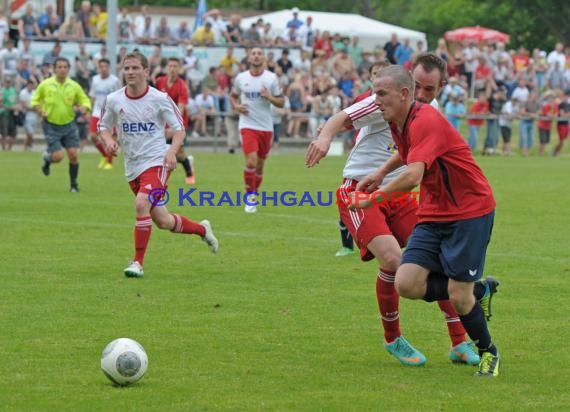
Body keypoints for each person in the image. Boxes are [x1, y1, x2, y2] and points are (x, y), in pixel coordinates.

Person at [306, 57, 495, 368]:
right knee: (394, 260)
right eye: (416, 86)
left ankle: (460, 342)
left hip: (400, 192)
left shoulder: (427, 114)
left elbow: (412, 160)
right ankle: (393, 338)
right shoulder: (383, 102)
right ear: (406, 86)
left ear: (440, 89)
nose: (421, 94)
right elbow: (342, 117)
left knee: (441, 264)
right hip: (360, 190)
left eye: (428, 89)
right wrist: (325, 138)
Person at [97, 52, 218, 278]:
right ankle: (202, 229)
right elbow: (102, 127)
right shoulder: (114, 100)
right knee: (163, 221)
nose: (130, 72)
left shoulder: (159, 99)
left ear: (146, 71)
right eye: (127, 68)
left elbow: (180, 129)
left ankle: (137, 263)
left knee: (142, 203)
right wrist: (109, 140)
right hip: (133, 167)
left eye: (135, 68)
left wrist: (172, 151)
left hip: (157, 162)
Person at [230, 47, 284, 213]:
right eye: (253, 53)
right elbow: (233, 96)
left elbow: (281, 102)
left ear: (264, 58)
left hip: (266, 127)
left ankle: (254, 193)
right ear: (249, 58)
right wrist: (237, 106)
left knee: (260, 166)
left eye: (259, 53)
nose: (256, 56)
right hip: (247, 125)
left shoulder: (271, 78)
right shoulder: (241, 78)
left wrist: (269, 97)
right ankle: (250, 199)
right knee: (251, 161)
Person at [31, 57, 91, 192]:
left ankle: (74, 185)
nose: (62, 69)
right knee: (58, 157)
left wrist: (84, 108)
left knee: (74, 155)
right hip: (51, 125)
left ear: (69, 69)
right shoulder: (45, 84)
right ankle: (47, 159)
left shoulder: (74, 86)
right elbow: (35, 101)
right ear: (54, 69)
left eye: (65, 67)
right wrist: (40, 111)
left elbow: (85, 100)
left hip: (69, 124)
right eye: (59, 67)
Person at [155, 57, 196, 184]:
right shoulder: (159, 82)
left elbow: (180, 109)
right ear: (167, 68)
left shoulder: (182, 86)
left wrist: (174, 127)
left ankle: (189, 172)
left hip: (178, 124)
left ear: (179, 69)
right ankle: (159, 179)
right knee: (160, 151)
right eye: (170, 66)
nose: (172, 69)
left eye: (175, 66)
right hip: (163, 124)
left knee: (179, 153)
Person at [88, 58, 121, 170]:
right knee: (93, 137)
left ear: (109, 68)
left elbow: (119, 96)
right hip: (96, 112)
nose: (103, 69)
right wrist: (89, 109)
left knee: (109, 138)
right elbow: (92, 96)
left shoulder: (114, 81)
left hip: (109, 113)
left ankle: (109, 163)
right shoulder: (95, 80)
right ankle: (104, 155)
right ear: (98, 68)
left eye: (105, 67)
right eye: (101, 67)